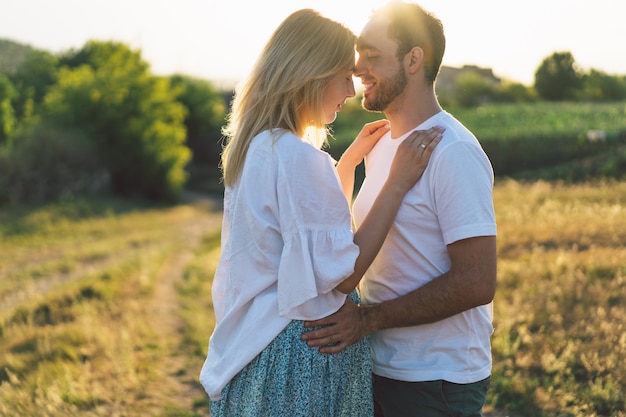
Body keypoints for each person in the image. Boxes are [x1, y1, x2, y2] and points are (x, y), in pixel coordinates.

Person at [199, 8, 443, 417]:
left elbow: (297, 232)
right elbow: (341, 275)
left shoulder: (258, 147)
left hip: (256, 353)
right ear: (309, 74)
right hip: (302, 357)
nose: (350, 90)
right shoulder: (298, 158)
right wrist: (396, 183)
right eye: (342, 75)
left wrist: (344, 168)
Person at [301, 2, 498, 416]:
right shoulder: (382, 144)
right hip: (380, 368)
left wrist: (367, 320)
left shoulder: (453, 152)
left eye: (372, 56)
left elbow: (477, 282)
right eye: (359, 57)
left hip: (436, 379)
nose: (357, 70)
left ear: (414, 59)